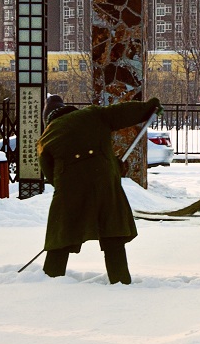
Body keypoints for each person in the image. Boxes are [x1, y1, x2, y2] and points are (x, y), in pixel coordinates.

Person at [37, 94, 161, 284]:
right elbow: (122, 112)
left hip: (69, 189)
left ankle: (50, 279)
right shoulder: (93, 115)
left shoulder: (46, 137)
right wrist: (148, 107)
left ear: (49, 119)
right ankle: (120, 280)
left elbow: (50, 174)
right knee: (112, 232)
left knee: (61, 235)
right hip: (103, 182)